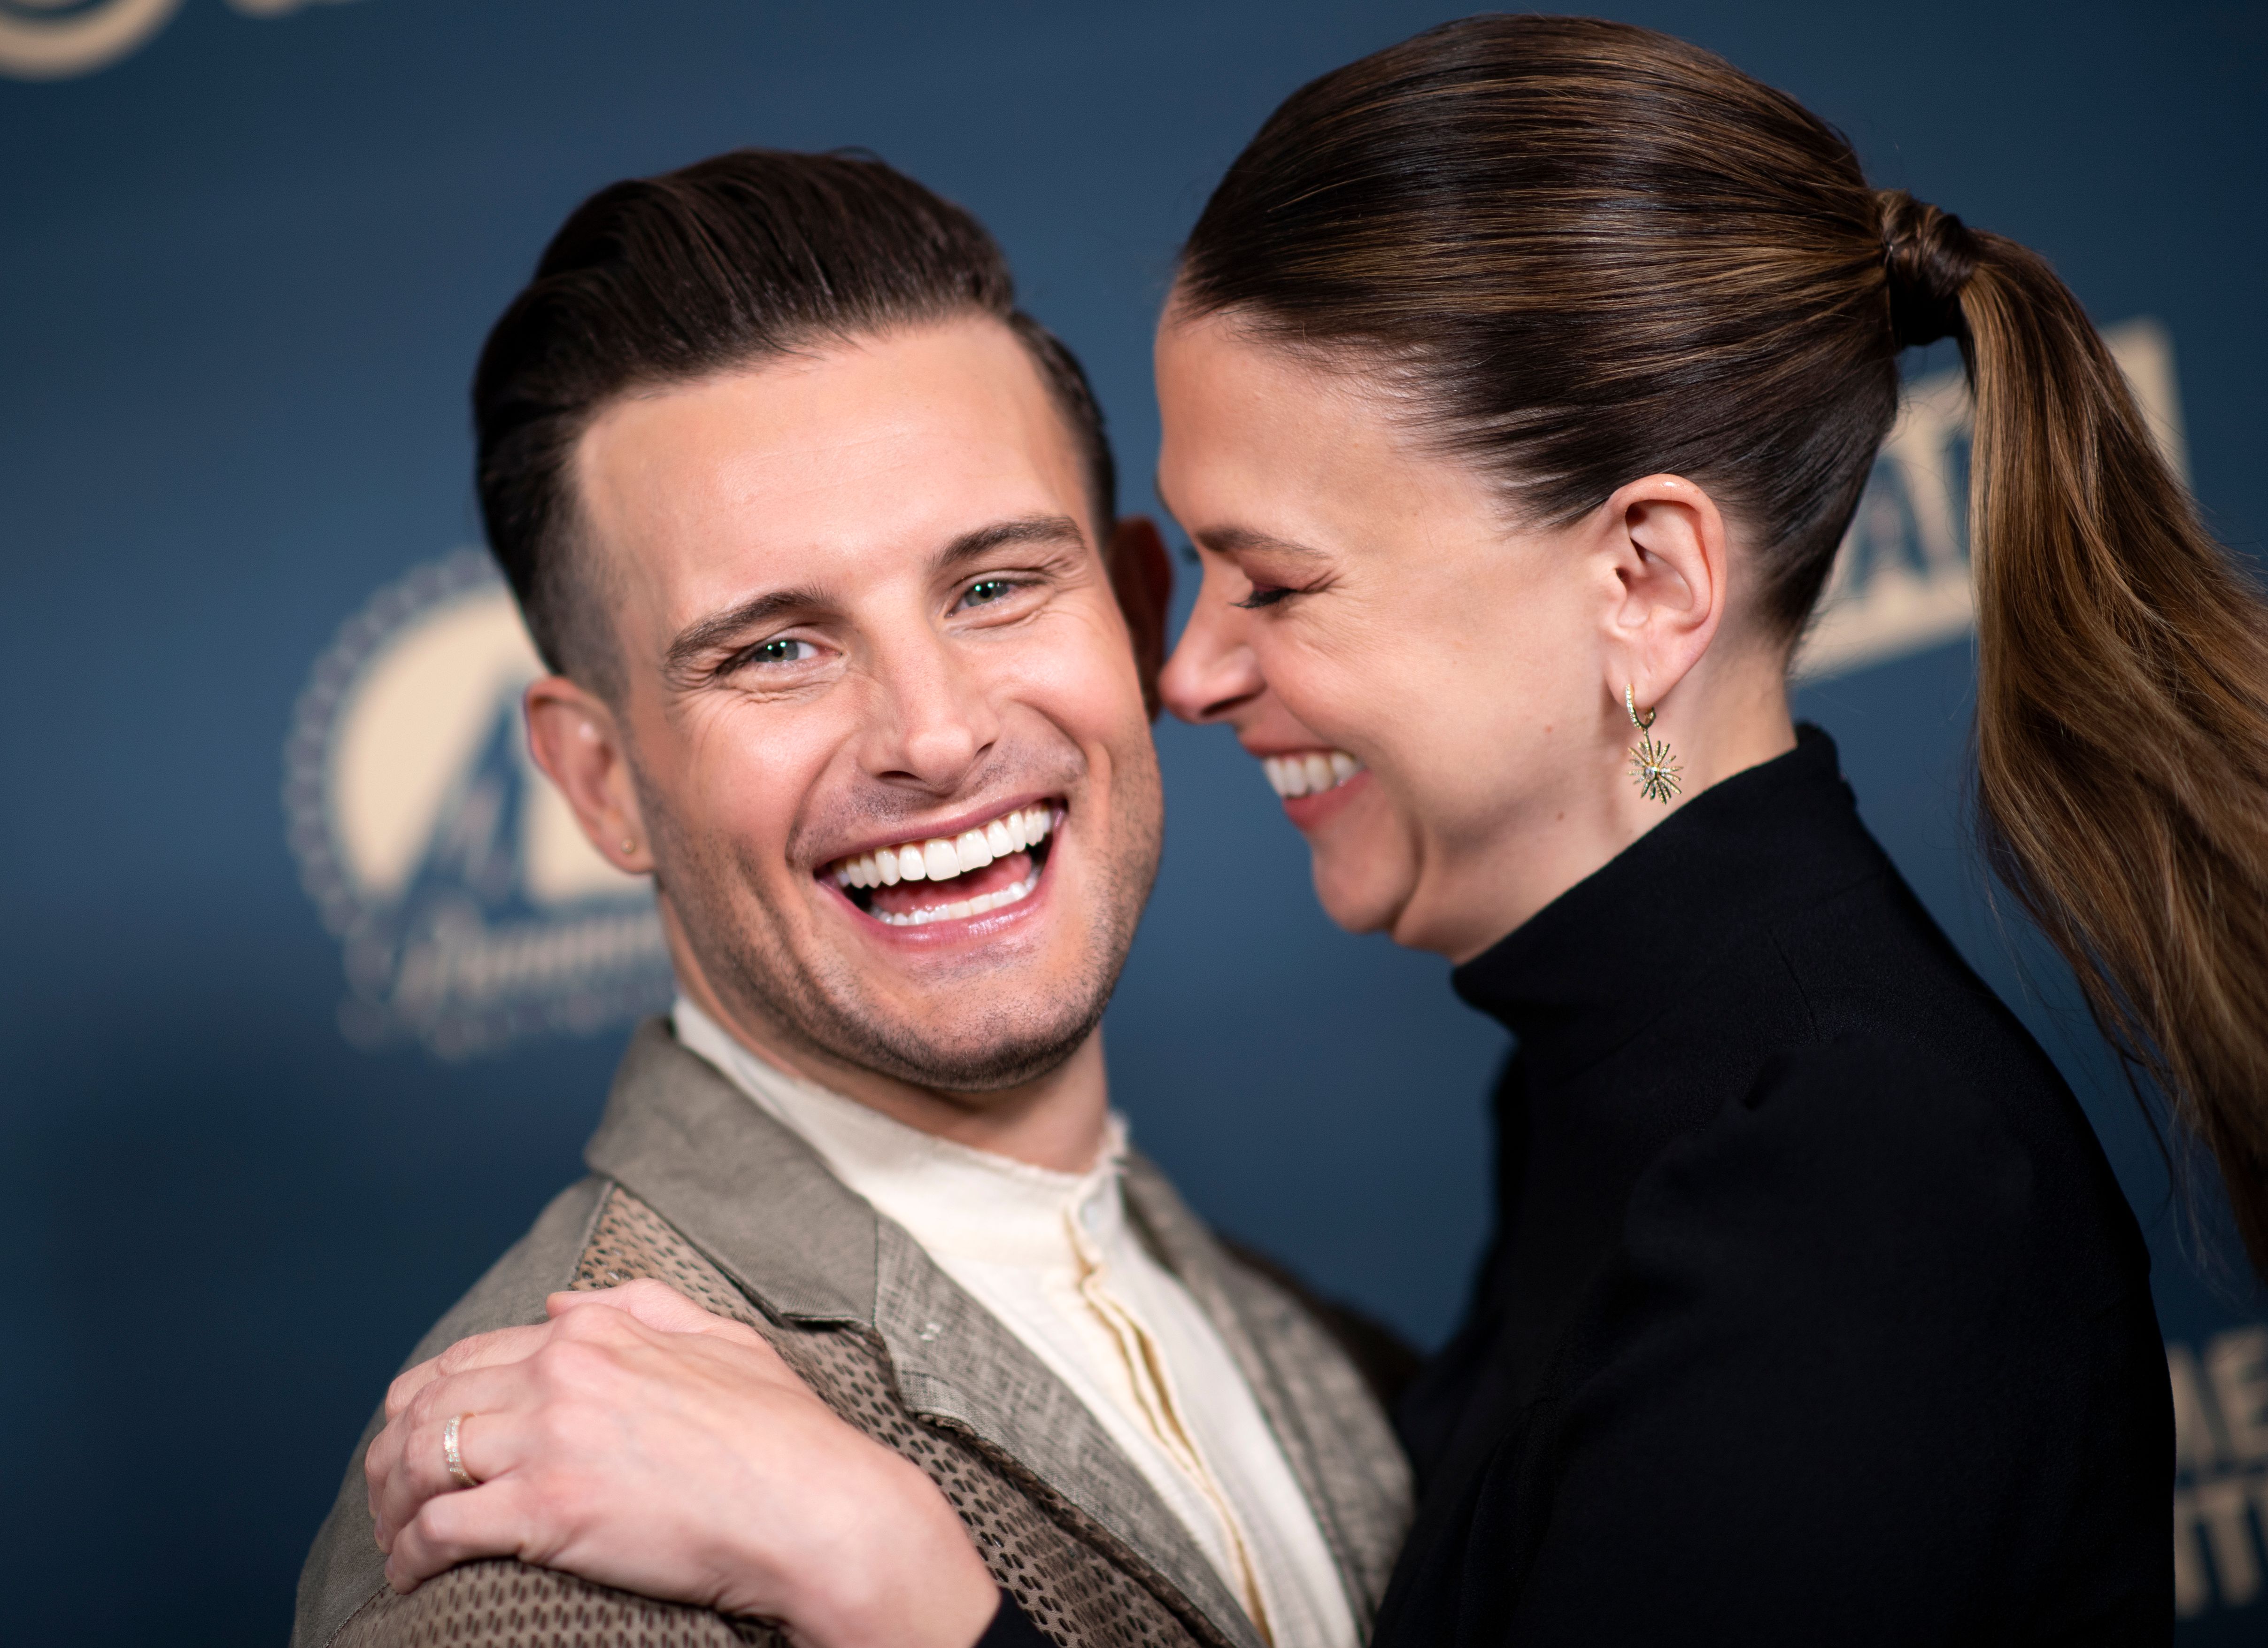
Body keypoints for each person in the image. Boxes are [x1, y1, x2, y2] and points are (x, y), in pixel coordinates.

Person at [364, 13, 2246, 1642]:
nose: (1183, 672)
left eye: (1268, 579)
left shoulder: (1828, 1174)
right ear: (596, 778)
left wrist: (897, 1583)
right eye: (771, 649)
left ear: (1647, 581)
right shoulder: (532, 1517)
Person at [289, 149, 1415, 1648]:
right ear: (601, 783)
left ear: (1140, 615)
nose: (935, 735)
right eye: (774, 651)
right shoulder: (531, 1573)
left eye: (996, 586)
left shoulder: (1293, 1331)